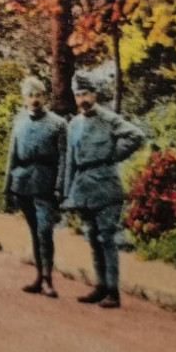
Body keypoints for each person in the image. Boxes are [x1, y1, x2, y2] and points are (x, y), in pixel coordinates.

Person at [60, 69, 149, 308]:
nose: (82, 99)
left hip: (106, 185)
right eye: (78, 95)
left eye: (86, 93)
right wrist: (68, 193)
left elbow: (136, 135)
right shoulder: (74, 125)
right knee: (91, 237)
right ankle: (100, 286)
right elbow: (70, 161)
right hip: (84, 186)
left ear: (95, 94)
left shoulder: (108, 119)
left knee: (106, 237)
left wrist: (113, 154)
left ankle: (113, 291)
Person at [3, 75, 68, 297]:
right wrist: (7, 187)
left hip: (46, 184)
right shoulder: (19, 122)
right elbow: (12, 155)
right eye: (30, 95)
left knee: (45, 231)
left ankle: (49, 279)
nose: (35, 99)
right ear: (24, 99)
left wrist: (60, 187)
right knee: (34, 232)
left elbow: (63, 158)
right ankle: (39, 277)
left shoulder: (58, 124)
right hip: (23, 184)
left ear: (45, 97)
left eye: (38, 95)